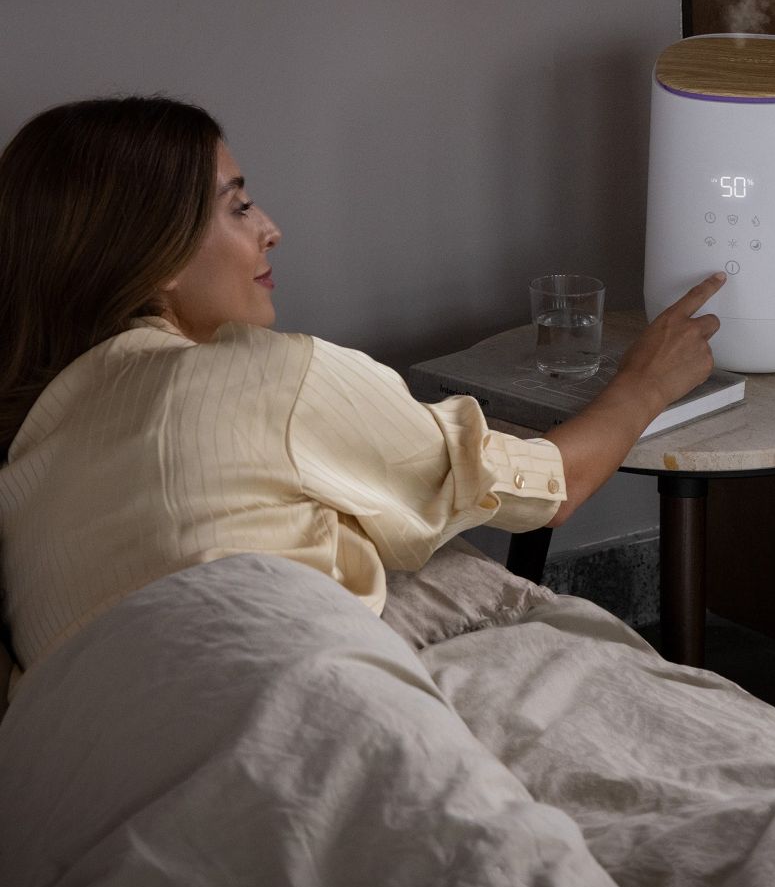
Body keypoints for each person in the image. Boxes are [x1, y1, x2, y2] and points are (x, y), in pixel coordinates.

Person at [0, 95, 723, 678]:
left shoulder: (26, 463)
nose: (270, 229)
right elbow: (548, 488)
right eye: (238, 206)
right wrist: (646, 381)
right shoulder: (267, 378)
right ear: (155, 250)